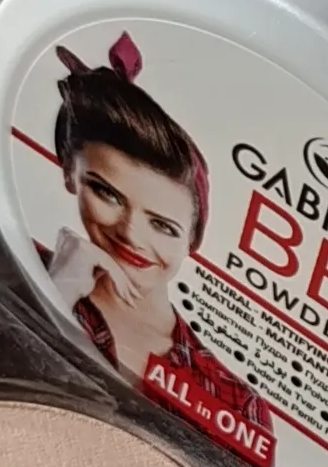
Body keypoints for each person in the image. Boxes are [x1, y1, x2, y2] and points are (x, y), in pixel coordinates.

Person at [40, 36, 270, 439]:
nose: (130, 233)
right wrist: (54, 295)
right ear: (69, 174)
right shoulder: (21, 268)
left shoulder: (238, 405)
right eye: (107, 193)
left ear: (192, 240)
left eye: (163, 225)